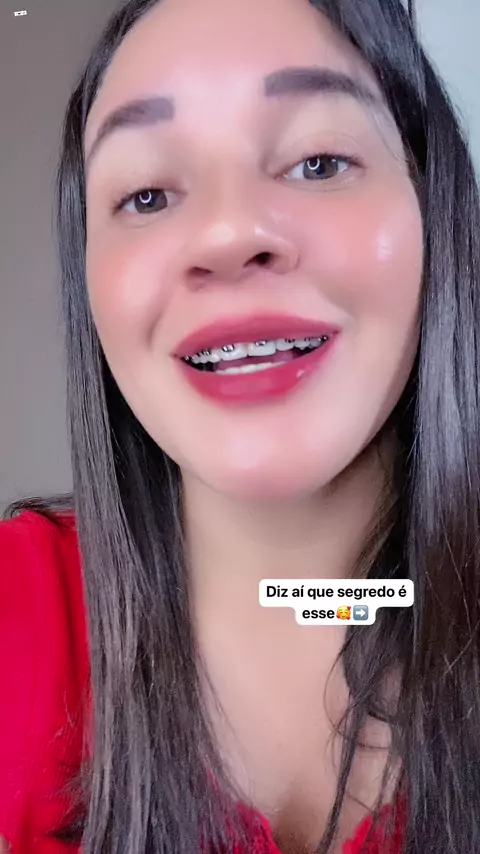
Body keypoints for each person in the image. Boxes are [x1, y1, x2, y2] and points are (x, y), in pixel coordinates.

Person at [0, 0, 479, 851]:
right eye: (147, 194)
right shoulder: (22, 612)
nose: (227, 234)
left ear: (433, 207)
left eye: (319, 162)